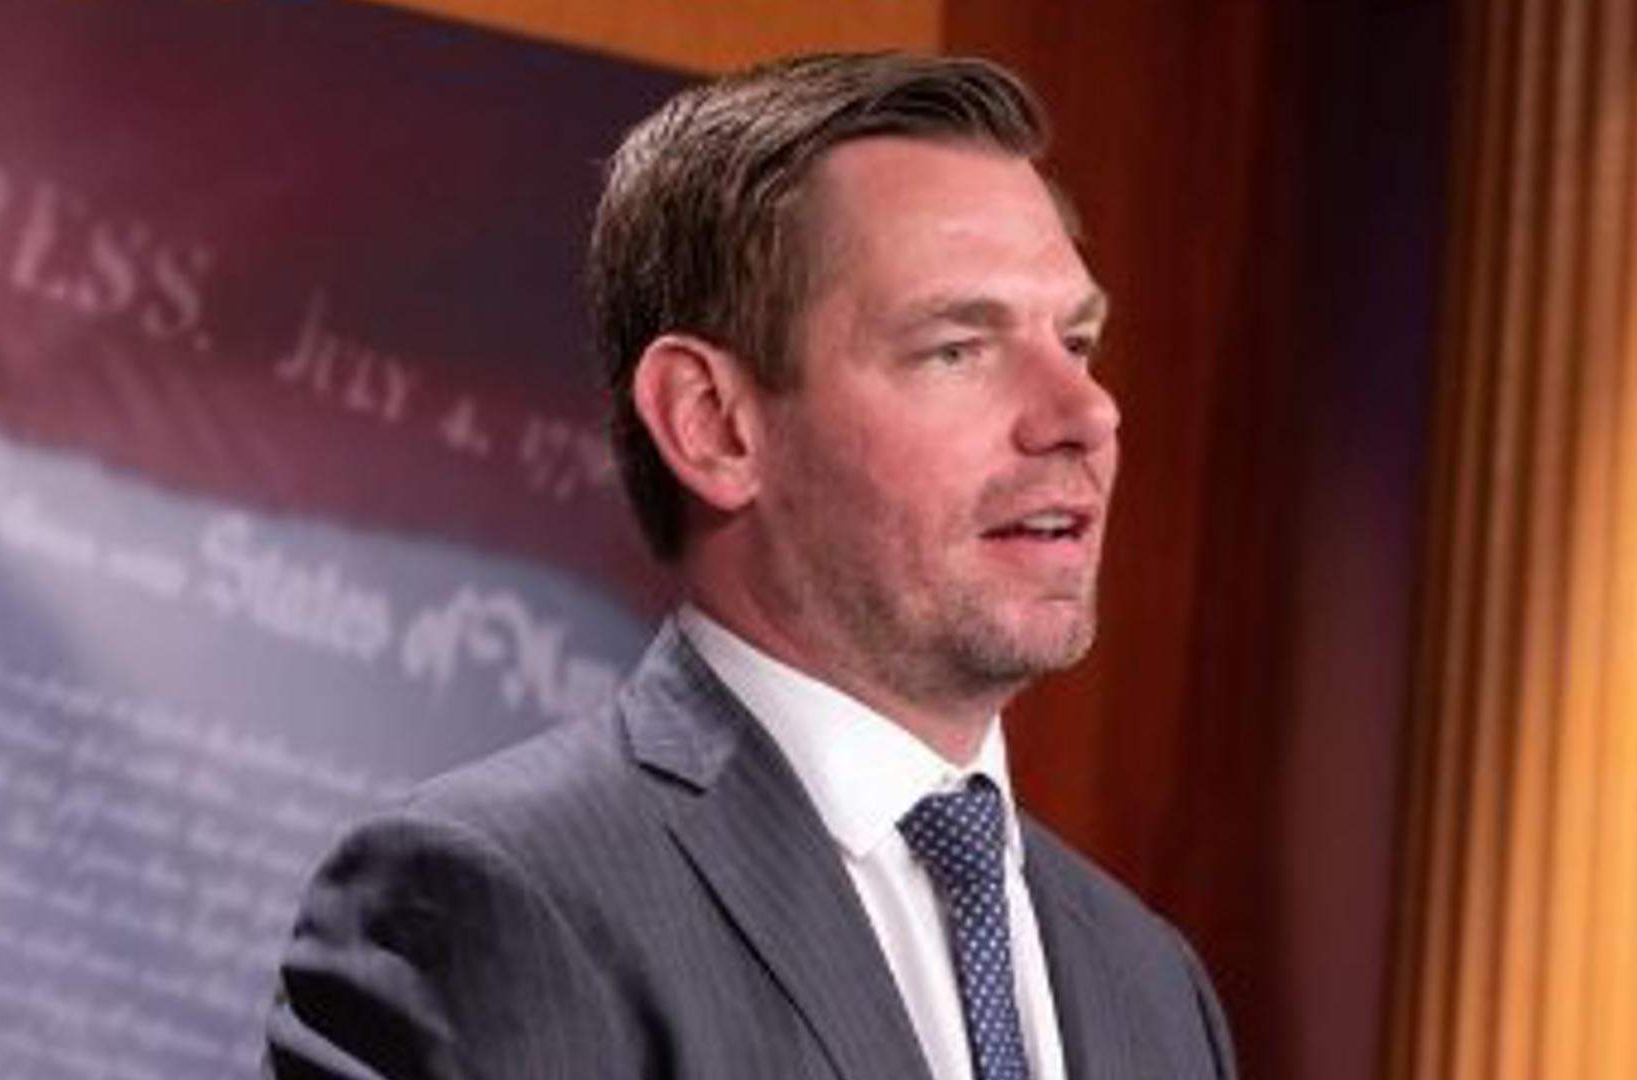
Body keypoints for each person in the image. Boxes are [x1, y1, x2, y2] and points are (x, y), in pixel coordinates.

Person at [264, 52, 1235, 1080]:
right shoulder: (490, 898)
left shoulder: (1154, 985)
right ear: (713, 423)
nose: (1087, 414)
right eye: (957, 348)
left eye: (1077, 344)